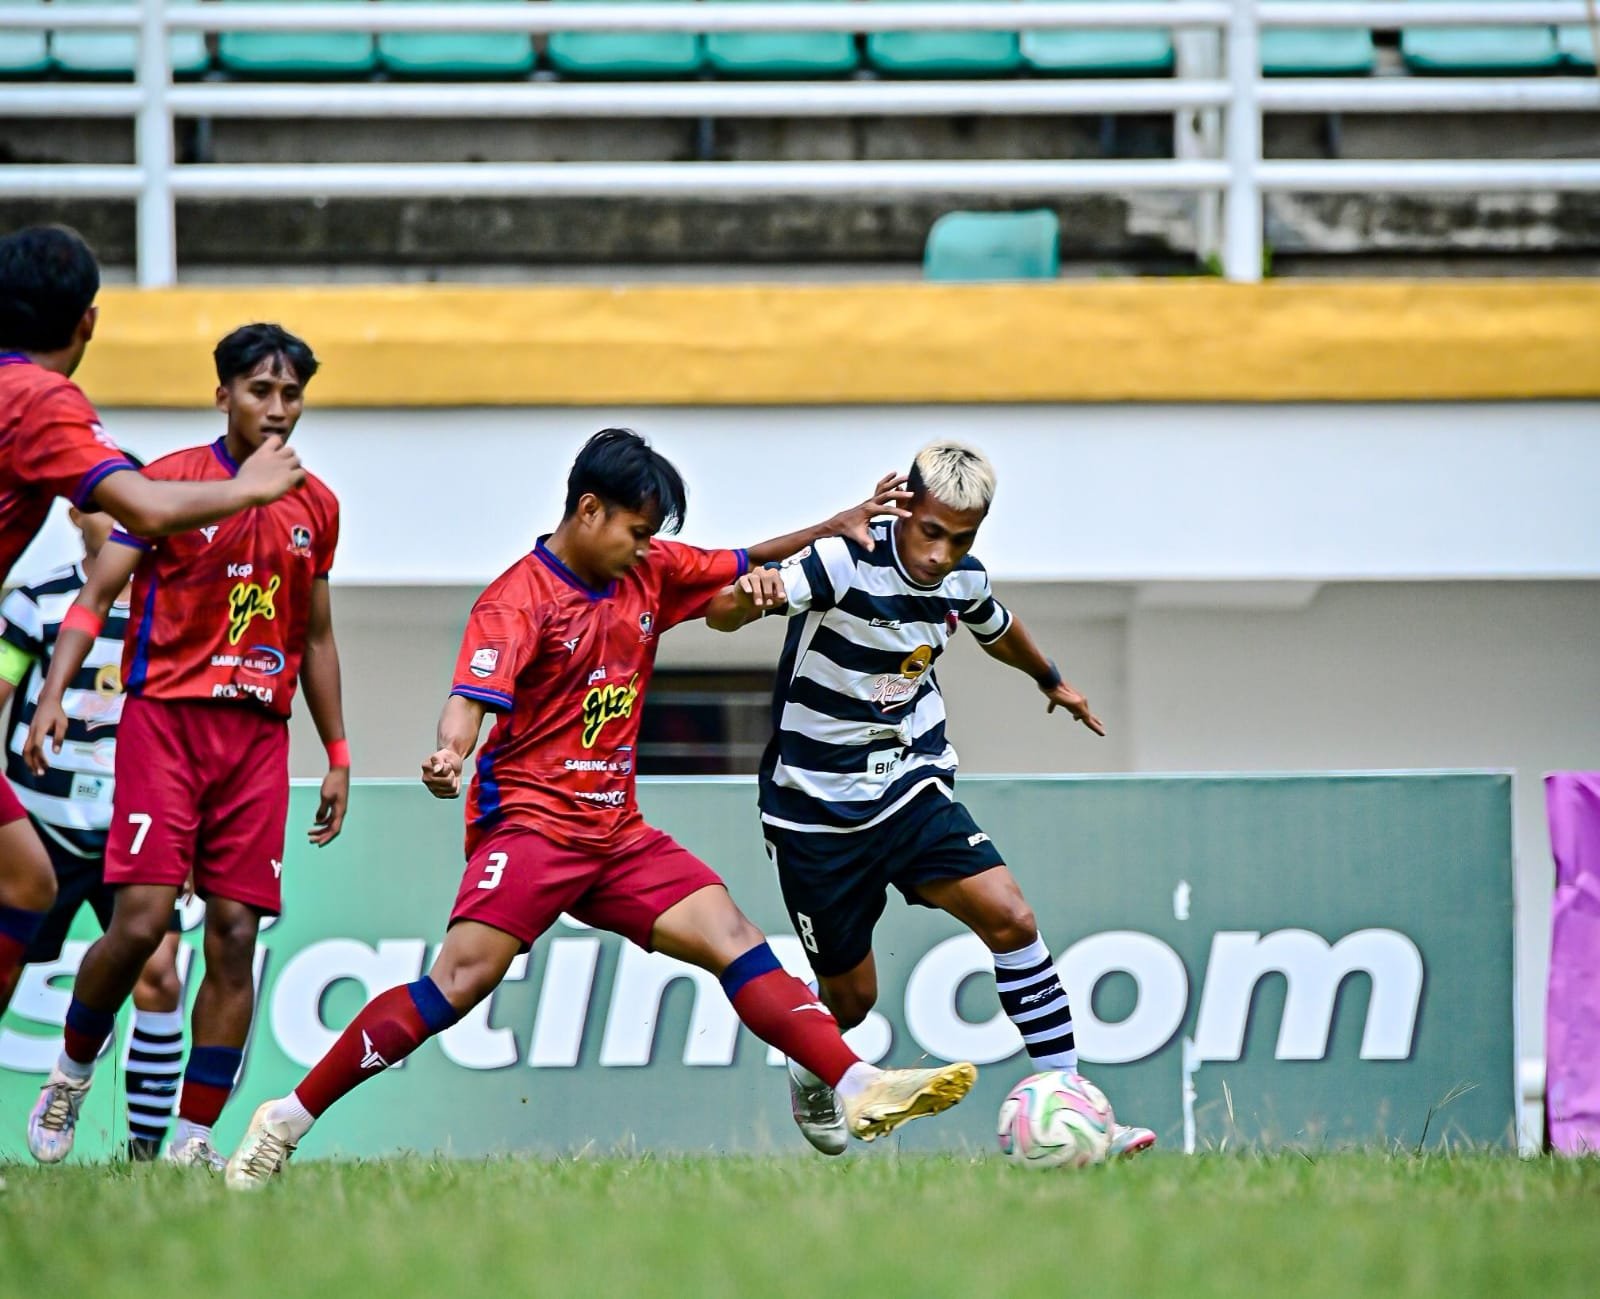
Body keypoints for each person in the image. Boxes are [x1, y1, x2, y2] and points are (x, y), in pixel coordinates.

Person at [222, 429, 976, 1190]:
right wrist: (451, 753)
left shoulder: (648, 570)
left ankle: (856, 1083)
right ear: (589, 510)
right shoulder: (518, 599)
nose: (647, 547)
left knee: (733, 934)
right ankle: (284, 1119)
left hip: (617, 834)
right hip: (531, 826)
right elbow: (467, 702)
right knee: (456, 984)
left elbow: (741, 560)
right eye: (637, 530)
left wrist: (830, 524)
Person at [706, 440, 1157, 1158]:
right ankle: (812, 1061)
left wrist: (1052, 679)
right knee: (851, 1000)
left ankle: (1074, 1105)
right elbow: (721, 614)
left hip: (911, 782)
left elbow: (997, 626)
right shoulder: (841, 559)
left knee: (1012, 917)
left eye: (963, 538)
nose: (944, 553)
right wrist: (747, 595)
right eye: (933, 531)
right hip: (815, 811)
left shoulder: (961, 580)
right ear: (905, 507)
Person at [22, 323, 349, 1170]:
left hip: (257, 740)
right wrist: (54, 692)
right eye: (259, 390)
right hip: (166, 724)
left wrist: (339, 752)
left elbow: (314, 635)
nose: (277, 409)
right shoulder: (168, 481)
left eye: (290, 393)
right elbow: (97, 594)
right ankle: (70, 1070)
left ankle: (195, 1142)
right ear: (223, 396)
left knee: (236, 934)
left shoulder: (318, 505)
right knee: (139, 924)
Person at [0, 225, 303, 1023]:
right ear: (88, 323)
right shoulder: (36, 398)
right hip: (102, 788)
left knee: (24, 880)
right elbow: (145, 504)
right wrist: (253, 487)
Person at [0, 488, 187, 1161]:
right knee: (6, 968)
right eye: (104, 506)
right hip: (38, 824)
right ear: (76, 516)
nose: (119, 520)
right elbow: (3, 680)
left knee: (160, 972)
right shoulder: (38, 601)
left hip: (132, 824)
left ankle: (145, 1156)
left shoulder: (171, 608)